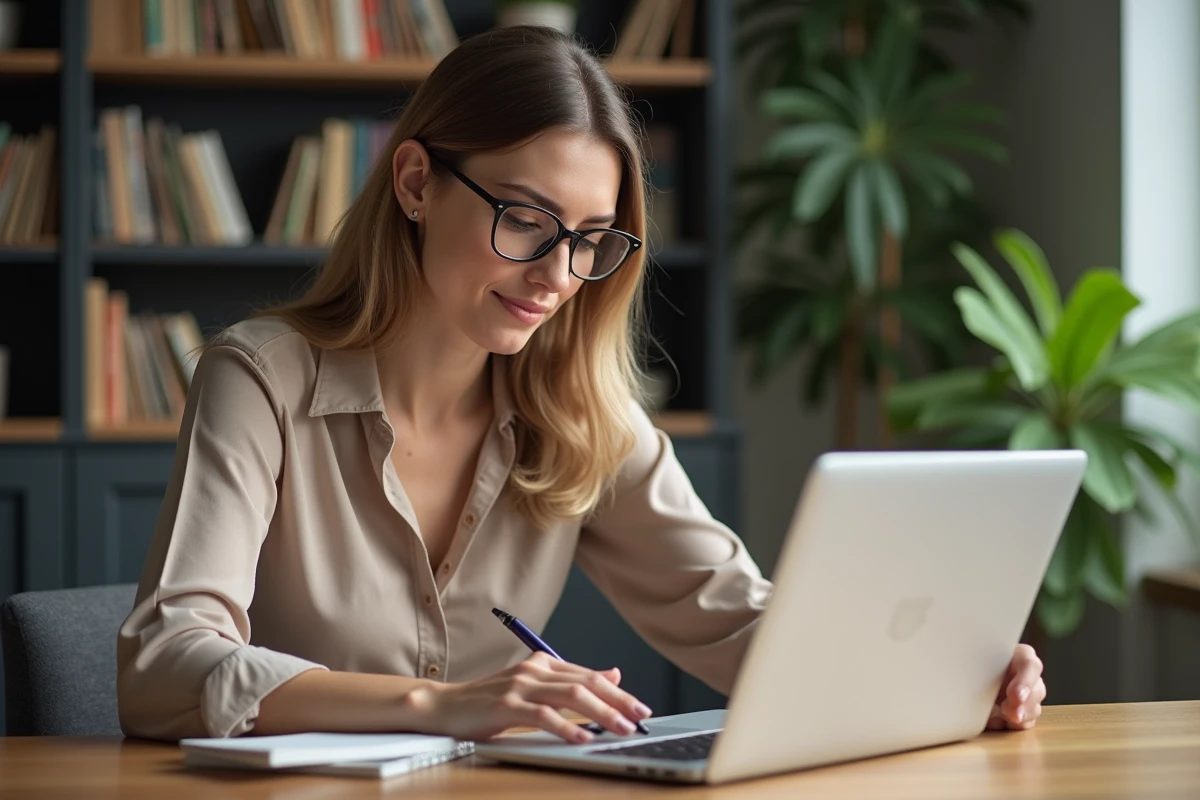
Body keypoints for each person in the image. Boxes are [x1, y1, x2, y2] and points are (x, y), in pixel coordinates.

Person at [116, 25, 1046, 743]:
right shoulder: (262, 380)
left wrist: (944, 673)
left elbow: (739, 624)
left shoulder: (580, 414)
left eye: (590, 239)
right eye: (526, 219)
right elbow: (164, 666)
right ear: (413, 182)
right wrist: (441, 705)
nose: (558, 274)